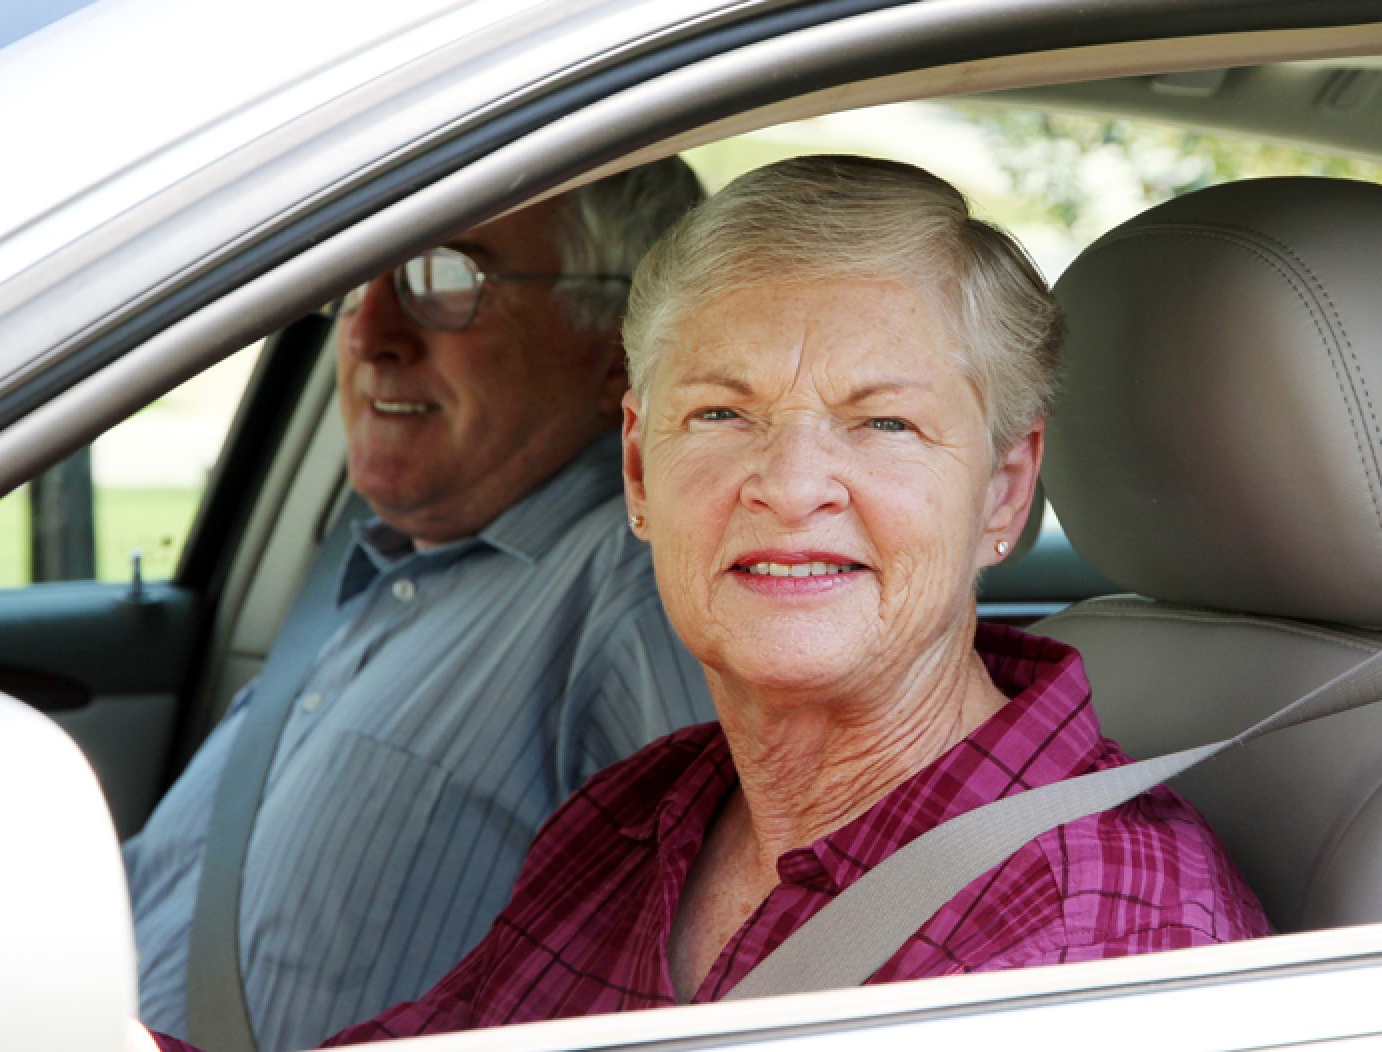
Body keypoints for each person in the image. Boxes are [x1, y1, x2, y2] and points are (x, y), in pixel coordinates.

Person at [146, 154, 1267, 1052]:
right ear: (639, 473)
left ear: (1003, 491)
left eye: (881, 422)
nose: (786, 484)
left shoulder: (1095, 936)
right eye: (722, 415)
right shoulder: (641, 814)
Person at [124, 158, 715, 1052]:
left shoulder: (635, 590)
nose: (370, 335)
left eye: (446, 277)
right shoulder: (384, 569)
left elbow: (717, 1003)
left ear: (620, 351)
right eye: (356, 282)